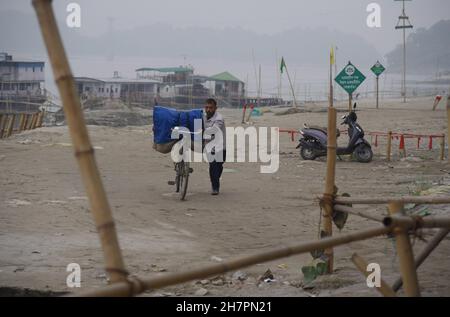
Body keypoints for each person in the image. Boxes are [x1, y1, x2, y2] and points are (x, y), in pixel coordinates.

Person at [203, 98, 226, 195]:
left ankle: (215, 179)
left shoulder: (219, 119)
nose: (208, 110)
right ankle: (215, 187)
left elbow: (213, 131)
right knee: (213, 166)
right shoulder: (203, 116)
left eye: (211, 108)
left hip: (221, 147)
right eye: (206, 107)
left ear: (215, 108)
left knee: (219, 166)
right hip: (209, 147)